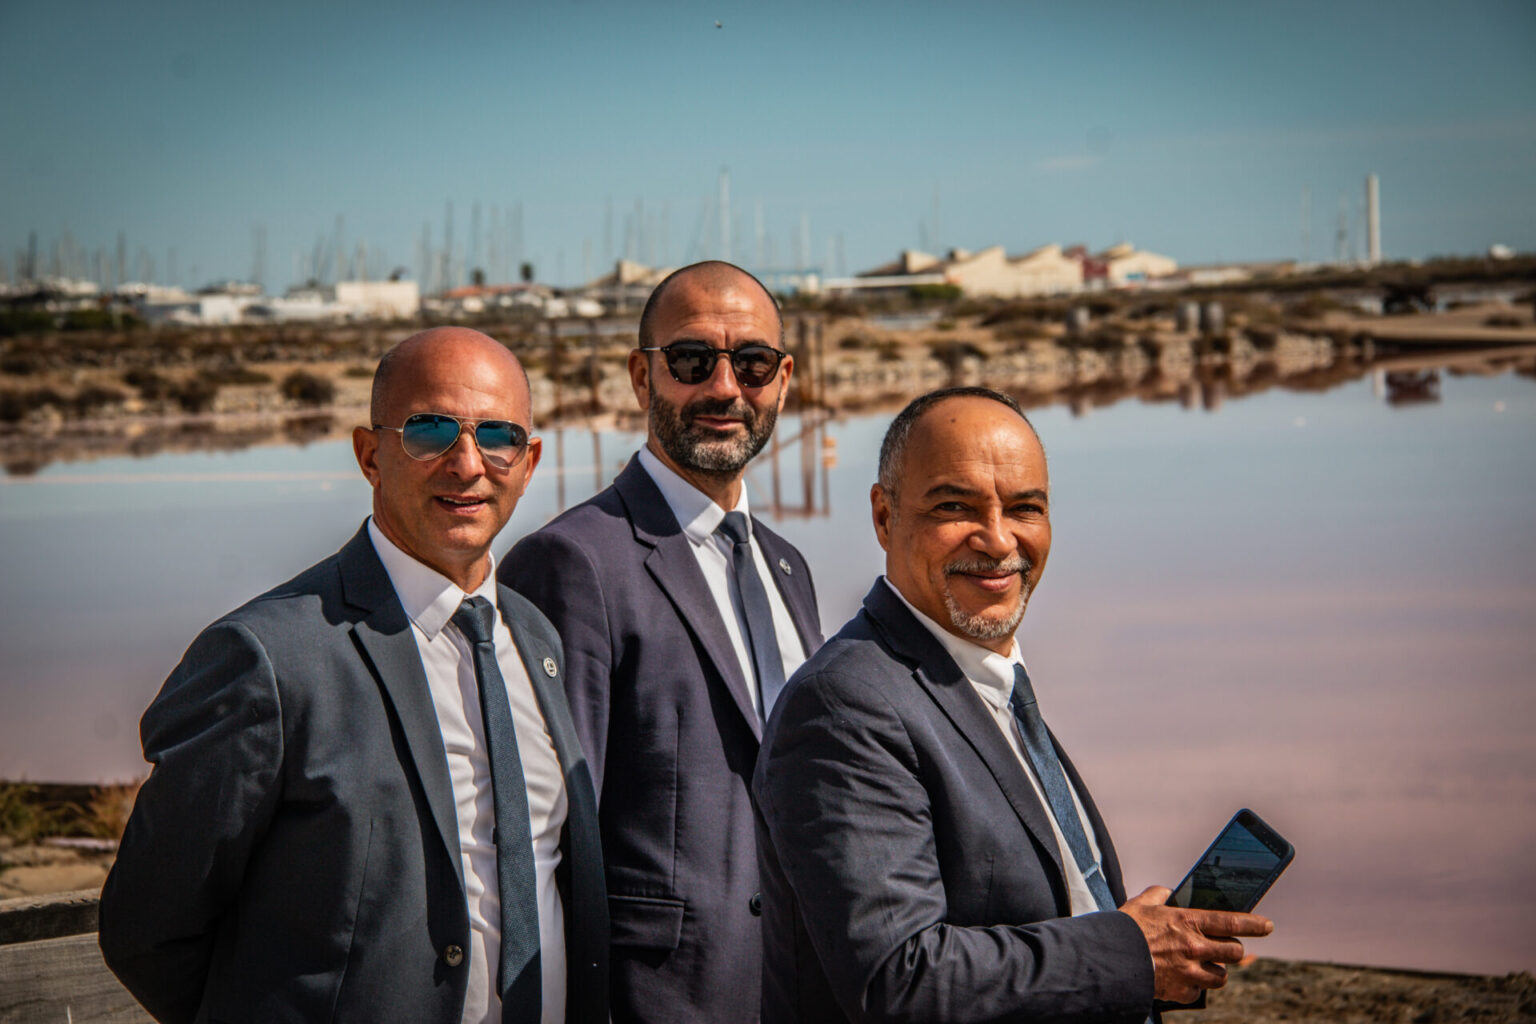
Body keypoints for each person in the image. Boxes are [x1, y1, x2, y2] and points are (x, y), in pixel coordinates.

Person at [99, 328, 608, 1024]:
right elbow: (148, 930)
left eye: (498, 437)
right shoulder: (267, 659)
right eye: (430, 432)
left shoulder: (536, 636)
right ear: (370, 454)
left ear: (529, 462)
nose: (468, 464)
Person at [753, 386, 1274, 1023]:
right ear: (885, 517)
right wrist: (1128, 952)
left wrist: (1159, 959)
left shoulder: (989, 682)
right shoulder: (844, 705)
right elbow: (900, 981)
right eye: (955, 506)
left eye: (1025, 508)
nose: (999, 541)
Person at [501, 261, 823, 1023]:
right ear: (642, 378)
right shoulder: (572, 563)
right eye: (691, 360)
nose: (724, 388)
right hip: (665, 1000)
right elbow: (547, 840)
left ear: (783, 381)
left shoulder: (788, 567)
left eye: (752, 363)